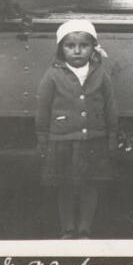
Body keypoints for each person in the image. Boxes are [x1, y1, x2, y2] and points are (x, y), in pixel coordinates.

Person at [36, 18, 118, 238]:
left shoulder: (100, 74)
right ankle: (68, 229)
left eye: (83, 45)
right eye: (70, 46)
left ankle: (85, 229)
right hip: (63, 141)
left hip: (93, 140)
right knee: (65, 186)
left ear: (93, 48)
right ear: (61, 49)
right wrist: (43, 138)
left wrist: (111, 136)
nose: (77, 51)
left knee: (89, 185)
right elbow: (43, 107)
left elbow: (110, 106)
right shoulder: (52, 75)